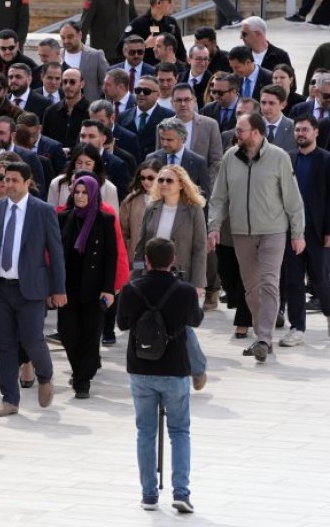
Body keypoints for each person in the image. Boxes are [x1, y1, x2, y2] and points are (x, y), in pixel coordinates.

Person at [208, 113, 305, 362]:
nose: (235, 134)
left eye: (240, 130)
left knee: (269, 282)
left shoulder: (279, 157)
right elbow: (219, 196)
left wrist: (297, 233)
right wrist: (214, 226)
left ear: (256, 132)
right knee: (251, 288)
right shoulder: (230, 157)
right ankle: (263, 335)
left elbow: (293, 199)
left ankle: (263, 338)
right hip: (241, 232)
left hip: (273, 231)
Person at [0, 161, 66, 417]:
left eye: (15, 180)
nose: (9, 184)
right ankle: (9, 399)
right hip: (0, 288)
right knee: (4, 344)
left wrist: (59, 288)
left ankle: (45, 375)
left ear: (28, 182)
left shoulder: (42, 210)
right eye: (5, 179)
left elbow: (56, 252)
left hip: (31, 289)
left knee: (32, 338)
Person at [117, 238, 202, 514]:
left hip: (141, 369)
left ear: (147, 261)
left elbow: (122, 324)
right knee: (179, 431)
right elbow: (196, 320)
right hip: (175, 370)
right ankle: (181, 492)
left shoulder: (131, 289)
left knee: (145, 431)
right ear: (173, 260)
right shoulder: (185, 291)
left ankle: (149, 494)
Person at [134, 164, 210, 389]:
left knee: (182, 325)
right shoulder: (153, 207)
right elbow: (140, 245)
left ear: (181, 184)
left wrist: (198, 283)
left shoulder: (193, 209)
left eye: (169, 181)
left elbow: (199, 248)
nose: (164, 184)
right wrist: (136, 274)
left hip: (180, 277)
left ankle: (197, 367)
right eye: (161, 180)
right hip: (151, 276)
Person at [57, 176, 118, 399]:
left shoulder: (105, 220)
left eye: (84, 192)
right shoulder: (63, 218)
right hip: (68, 287)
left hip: (95, 288)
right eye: (77, 192)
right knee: (68, 333)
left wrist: (108, 288)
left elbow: (111, 256)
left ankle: (82, 381)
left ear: (93, 194)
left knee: (91, 335)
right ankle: (79, 371)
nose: (80, 196)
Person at [279, 116, 330, 346]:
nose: (301, 133)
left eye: (305, 129)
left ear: (316, 132)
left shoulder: (327, 160)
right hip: (291, 231)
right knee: (293, 281)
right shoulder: (287, 159)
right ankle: (297, 327)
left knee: (322, 279)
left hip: (318, 232)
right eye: (298, 129)